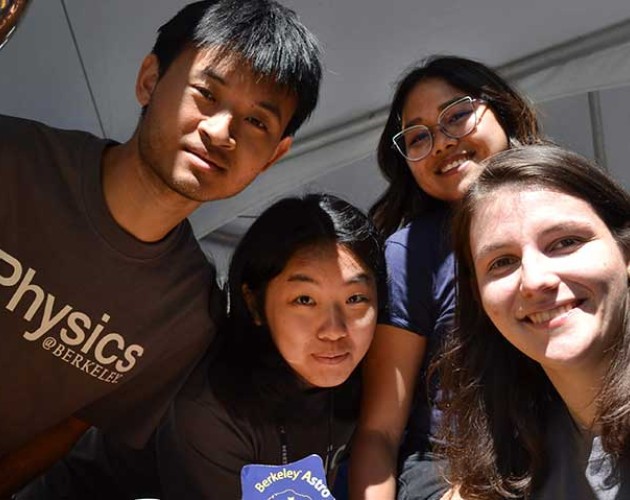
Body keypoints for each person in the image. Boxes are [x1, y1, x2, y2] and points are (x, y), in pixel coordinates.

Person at [0, 0, 321, 495]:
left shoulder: (189, 317)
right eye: (206, 94)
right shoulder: (13, 162)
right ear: (150, 79)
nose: (220, 132)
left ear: (276, 153)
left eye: (257, 122)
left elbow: (70, 427)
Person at [348, 55, 543, 500]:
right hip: (452, 472)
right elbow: (379, 431)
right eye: (418, 137)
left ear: (504, 111)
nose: (440, 142)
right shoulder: (409, 253)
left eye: (456, 115)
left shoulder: (576, 207)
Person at [154, 193, 384, 499]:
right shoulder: (210, 411)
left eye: (355, 299)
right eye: (305, 300)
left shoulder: (376, 374)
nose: (334, 331)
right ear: (255, 304)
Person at [438, 144, 630, 499]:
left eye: (565, 242)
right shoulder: (508, 461)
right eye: (502, 262)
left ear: (625, 251)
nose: (535, 279)